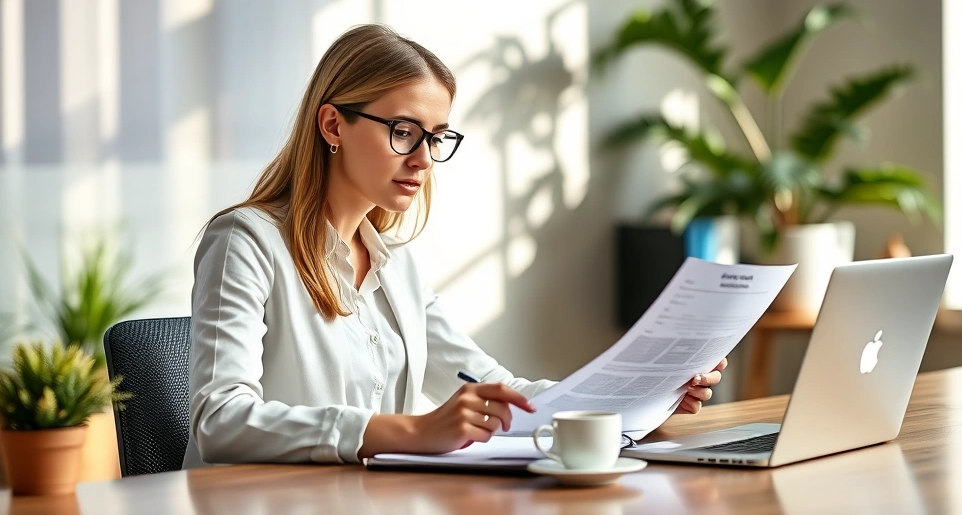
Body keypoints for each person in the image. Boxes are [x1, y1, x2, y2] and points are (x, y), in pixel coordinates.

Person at [183, 24, 726, 468]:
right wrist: (408, 431)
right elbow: (220, 420)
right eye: (403, 130)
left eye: (436, 136)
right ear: (333, 124)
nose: (422, 157)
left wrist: (639, 397)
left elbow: (497, 390)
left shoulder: (396, 270)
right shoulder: (245, 242)